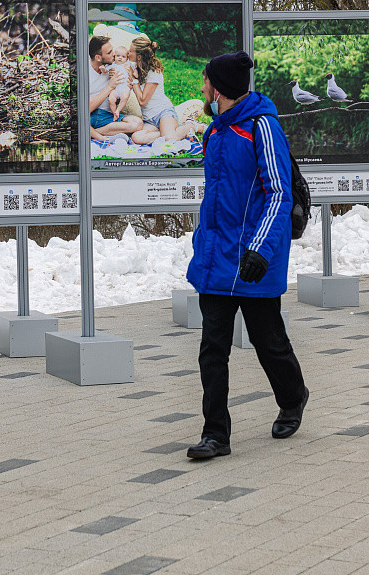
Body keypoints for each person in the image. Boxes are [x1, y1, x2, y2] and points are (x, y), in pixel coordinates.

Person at [184, 51, 308, 460]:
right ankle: (215, 434)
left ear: (217, 88)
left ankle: (293, 397)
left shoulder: (262, 126)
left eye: (205, 82)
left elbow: (278, 191)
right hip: (218, 260)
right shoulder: (215, 132)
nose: (202, 88)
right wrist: (203, 240)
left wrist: (260, 249)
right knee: (212, 350)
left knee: (268, 342)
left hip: (255, 260)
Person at [125, 34, 204, 144]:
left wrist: (134, 80)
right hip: (148, 120)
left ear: (139, 56)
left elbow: (142, 101)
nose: (128, 53)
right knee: (137, 138)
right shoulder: (133, 67)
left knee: (170, 139)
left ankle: (192, 126)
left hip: (163, 113)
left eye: (130, 51)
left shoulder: (154, 73)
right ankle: (169, 131)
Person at [88, 35, 143, 141]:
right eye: (109, 53)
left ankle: (93, 133)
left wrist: (124, 90)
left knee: (137, 123)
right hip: (91, 116)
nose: (114, 54)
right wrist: (110, 86)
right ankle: (97, 135)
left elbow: (115, 97)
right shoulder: (86, 74)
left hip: (108, 116)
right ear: (98, 58)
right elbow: (84, 109)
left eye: (112, 50)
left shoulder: (113, 68)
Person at [106, 45, 136, 121]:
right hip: (115, 88)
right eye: (118, 56)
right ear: (114, 56)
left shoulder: (128, 65)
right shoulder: (112, 65)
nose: (120, 58)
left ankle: (118, 110)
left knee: (125, 97)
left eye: (123, 57)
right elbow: (105, 71)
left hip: (125, 88)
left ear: (127, 58)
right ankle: (115, 114)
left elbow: (135, 72)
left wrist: (133, 72)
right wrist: (103, 69)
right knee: (111, 99)